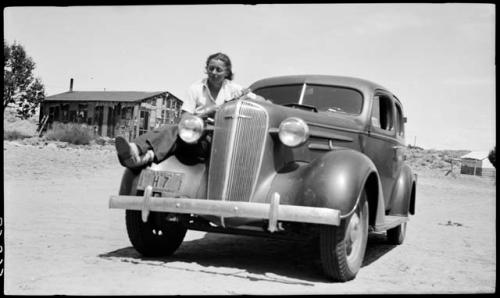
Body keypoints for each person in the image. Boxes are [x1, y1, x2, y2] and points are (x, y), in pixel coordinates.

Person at [115, 52, 264, 170]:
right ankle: (134, 150)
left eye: (219, 69)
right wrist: (207, 112)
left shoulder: (235, 89)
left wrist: (246, 98)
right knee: (175, 129)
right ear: (206, 69)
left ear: (226, 72)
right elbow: (185, 119)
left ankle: (143, 156)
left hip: (224, 139)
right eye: (210, 68)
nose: (214, 72)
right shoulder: (195, 88)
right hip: (196, 138)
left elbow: (264, 102)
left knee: (172, 134)